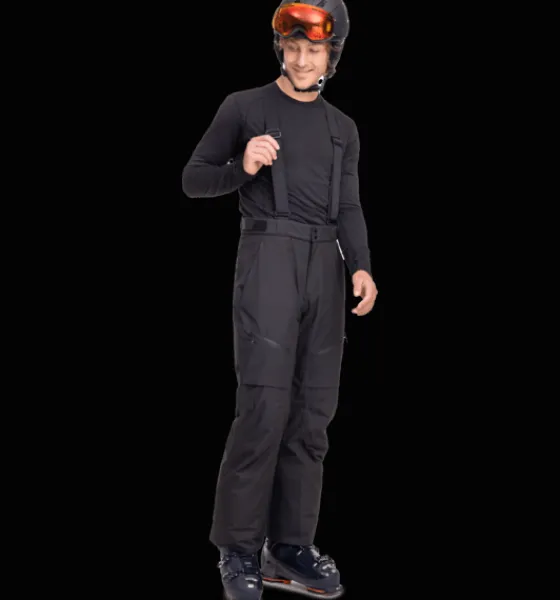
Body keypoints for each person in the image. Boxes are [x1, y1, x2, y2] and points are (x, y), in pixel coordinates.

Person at [182, 1, 378, 598]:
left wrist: (362, 265)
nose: (301, 60)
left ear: (331, 56)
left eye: (313, 50)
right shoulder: (243, 106)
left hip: (326, 268)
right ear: (280, 49)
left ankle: (289, 546)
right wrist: (242, 167)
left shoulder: (343, 127)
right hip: (269, 257)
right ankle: (239, 550)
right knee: (264, 408)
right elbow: (194, 178)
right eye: (292, 48)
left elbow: (349, 204)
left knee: (312, 413)